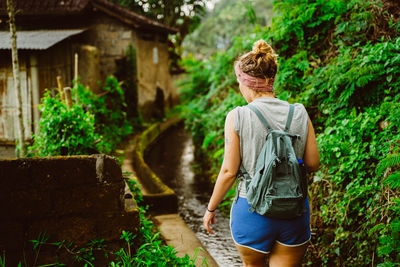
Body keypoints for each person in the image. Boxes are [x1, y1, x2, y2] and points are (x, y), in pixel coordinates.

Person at [202, 39, 320, 267]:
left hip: (252, 211)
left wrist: (211, 208)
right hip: (294, 212)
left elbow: (228, 172)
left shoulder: (237, 116)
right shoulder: (299, 112)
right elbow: (313, 163)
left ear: (246, 82)